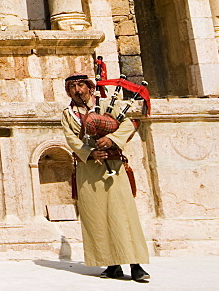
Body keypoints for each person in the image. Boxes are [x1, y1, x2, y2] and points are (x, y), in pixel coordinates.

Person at [61, 73, 151, 283]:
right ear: (68, 91)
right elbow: (71, 139)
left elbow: (129, 124)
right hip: (89, 171)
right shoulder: (68, 115)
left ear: (90, 88)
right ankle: (112, 264)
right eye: (73, 86)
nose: (78, 90)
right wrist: (89, 152)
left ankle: (135, 264)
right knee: (97, 217)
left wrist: (111, 139)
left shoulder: (105, 106)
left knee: (123, 215)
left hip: (114, 168)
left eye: (81, 85)